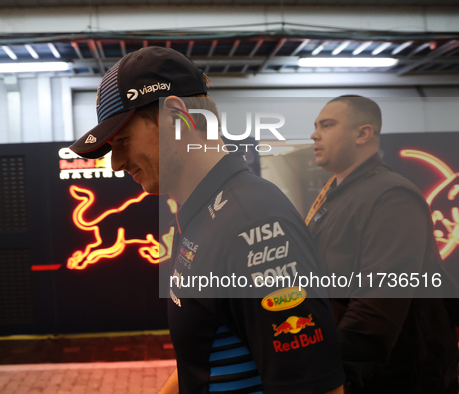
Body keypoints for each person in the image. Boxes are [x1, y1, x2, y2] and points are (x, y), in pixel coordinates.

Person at [70, 46, 345, 394]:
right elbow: (200, 361)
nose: (117, 163)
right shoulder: (206, 213)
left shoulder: (250, 223)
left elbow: (317, 388)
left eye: (122, 141)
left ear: (177, 118)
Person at [307, 95, 459, 393]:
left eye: (327, 125)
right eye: (316, 126)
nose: (314, 134)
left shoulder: (391, 197)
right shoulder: (335, 194)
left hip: (393, 378)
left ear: (363, 134)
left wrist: (326, 372)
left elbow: (378, 305)